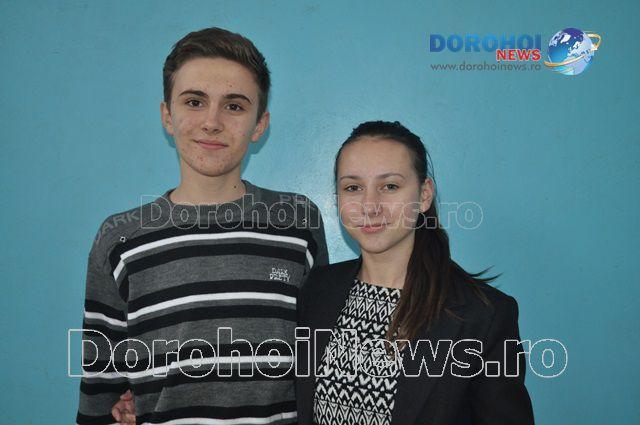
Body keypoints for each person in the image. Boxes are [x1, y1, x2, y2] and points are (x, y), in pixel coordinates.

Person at [77, 27, 328, 425]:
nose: (212, 122)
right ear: (168, 116)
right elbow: (99, 393)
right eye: (194, 102)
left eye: (234, 106)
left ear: (259, 124)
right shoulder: (120, 239)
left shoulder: (298, 223)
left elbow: (319, 364)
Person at [295, 121, 534, 424]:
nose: (370, 206)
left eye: (390, 186)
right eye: (353, 188)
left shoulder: (482, 315)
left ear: (424, 195)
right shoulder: (317, 288)